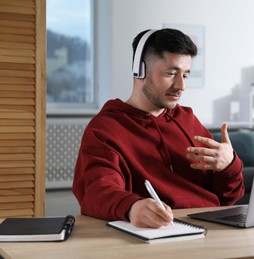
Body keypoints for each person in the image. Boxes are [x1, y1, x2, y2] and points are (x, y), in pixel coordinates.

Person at [72, 28, 245, 228]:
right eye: (171, 73)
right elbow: (96, 192)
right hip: (158, 232)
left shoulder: (187, 120)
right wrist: (132, 207)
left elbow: (229, 197)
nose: (181, 86)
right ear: (140, 71)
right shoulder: (105, 129)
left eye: (185, 75)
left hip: (211, 228)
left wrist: (229, 165)